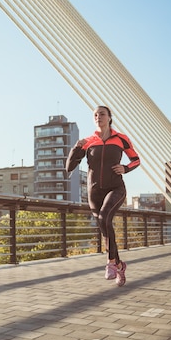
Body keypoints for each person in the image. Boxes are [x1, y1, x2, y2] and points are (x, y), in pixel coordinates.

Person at [66, 105, 140, 287]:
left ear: (109, 117)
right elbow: (69, 167)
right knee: (105, 227)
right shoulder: (89, 141)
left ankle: (110, 263)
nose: (98, 116)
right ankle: (119, 265)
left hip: (116, 187)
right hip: (94, 191)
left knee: (105, 217)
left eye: (102, 114)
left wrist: (126, 168)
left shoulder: (121, 139)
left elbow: (135, 159)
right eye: (95, 115)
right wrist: (77, 148)